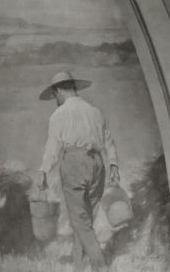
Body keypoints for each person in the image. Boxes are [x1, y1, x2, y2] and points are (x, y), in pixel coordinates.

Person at [37, 69, 119, 271]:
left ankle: (100, 266)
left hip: (74, 163)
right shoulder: (94, 111)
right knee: (85, 218)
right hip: (97, 164)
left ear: (59, 92)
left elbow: (52, 147)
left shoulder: (59, 114)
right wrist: (114, 164)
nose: (55, 98)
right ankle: (78, 265)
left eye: (55, 95)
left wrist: (43, 172)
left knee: (80, 220)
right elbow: (108, 140)